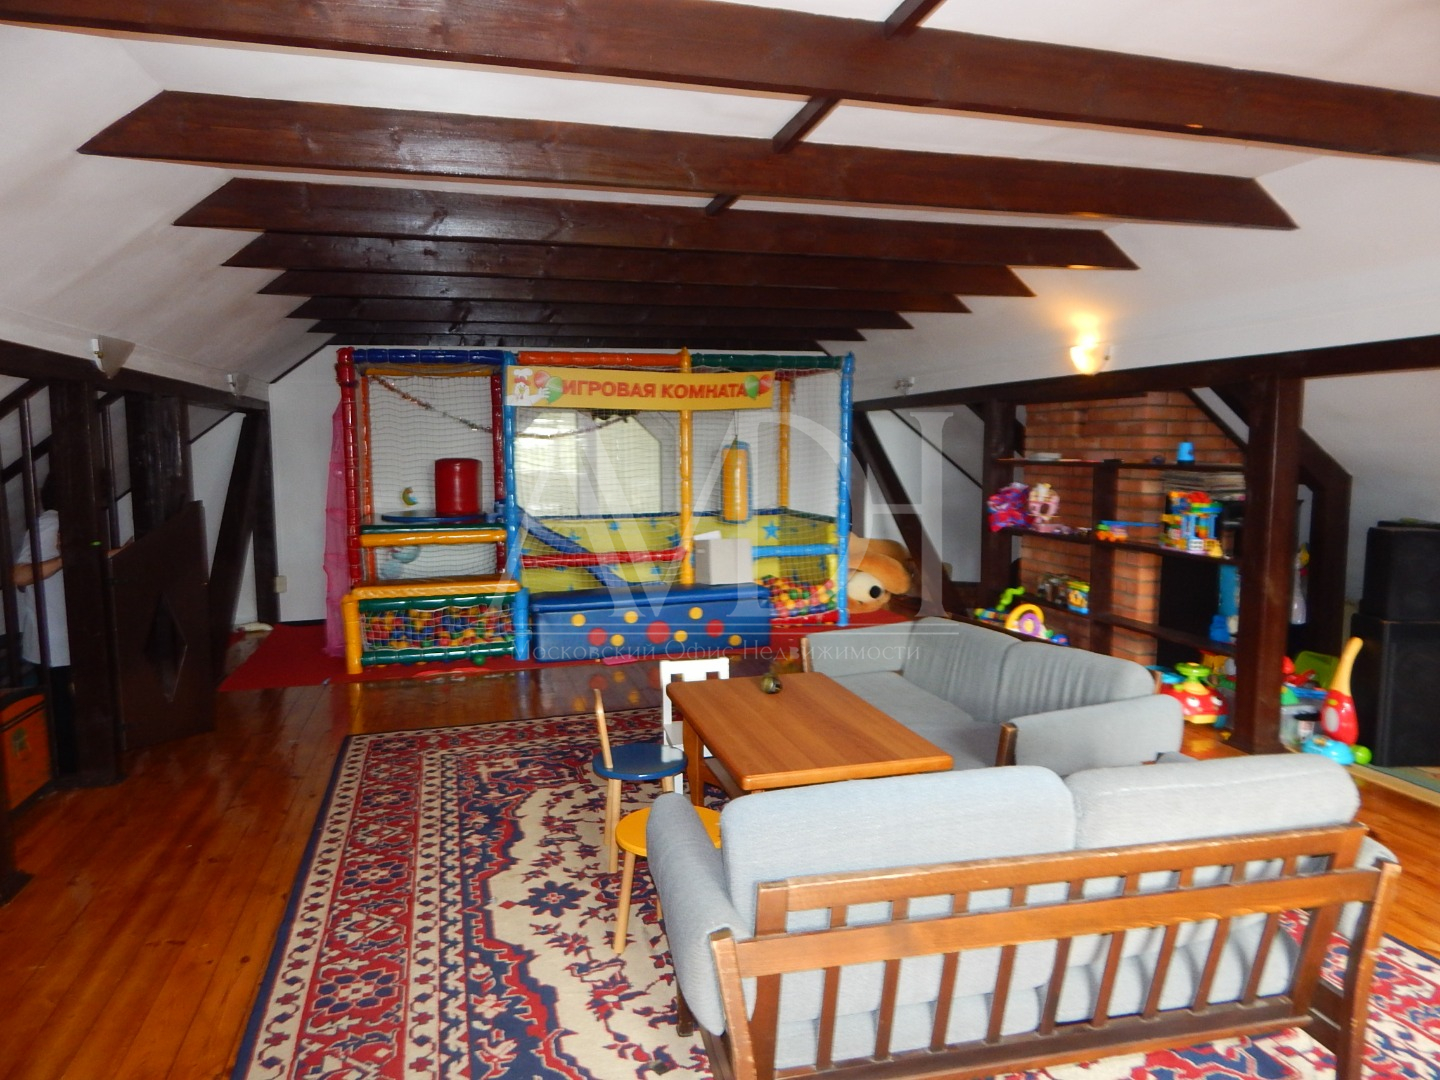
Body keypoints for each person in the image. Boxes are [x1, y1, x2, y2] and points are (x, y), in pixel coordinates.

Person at [13, 475, 72, 764]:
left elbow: (87, 555)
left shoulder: (64, 522)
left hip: (60, 637)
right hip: (52, 639)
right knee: (61, 713)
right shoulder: (49, 523)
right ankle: (65, 768)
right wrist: (63, 559)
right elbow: (20, 575)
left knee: (66, 709)